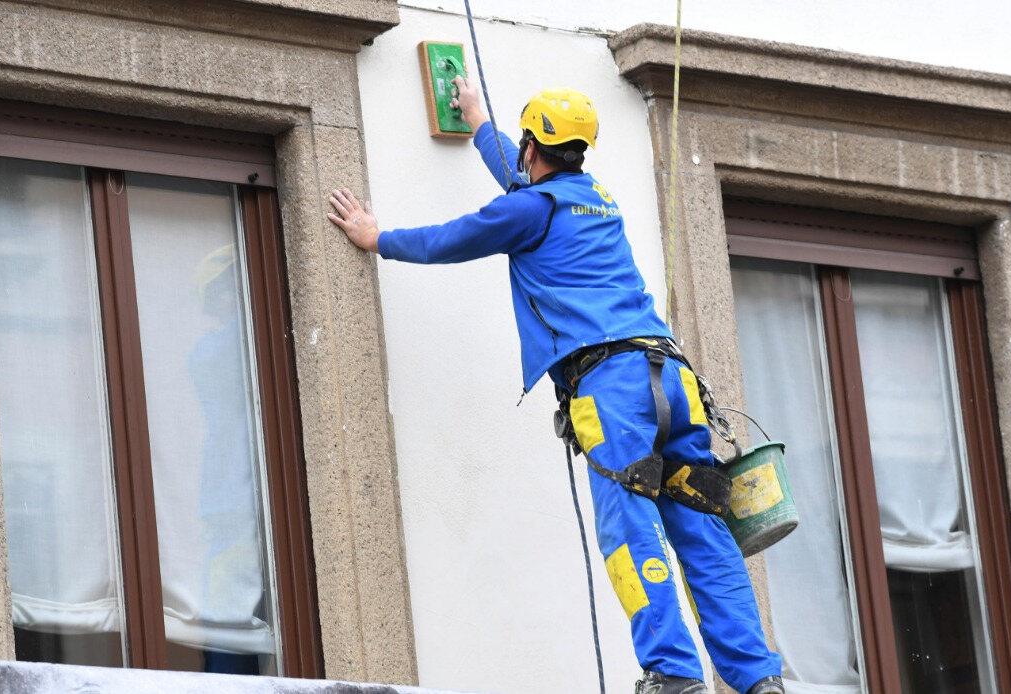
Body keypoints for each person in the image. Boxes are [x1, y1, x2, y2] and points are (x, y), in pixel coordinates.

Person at [328, 75, 784, 694]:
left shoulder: (529, 209)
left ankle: (674, 674)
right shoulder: (595, 198)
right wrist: (479, 122)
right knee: (700, 522)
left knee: (629, 522)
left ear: (532, 149)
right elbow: (522, 192)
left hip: (612, 388)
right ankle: (759, 680)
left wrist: (376, 238)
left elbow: (453, 238)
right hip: (673, 380)